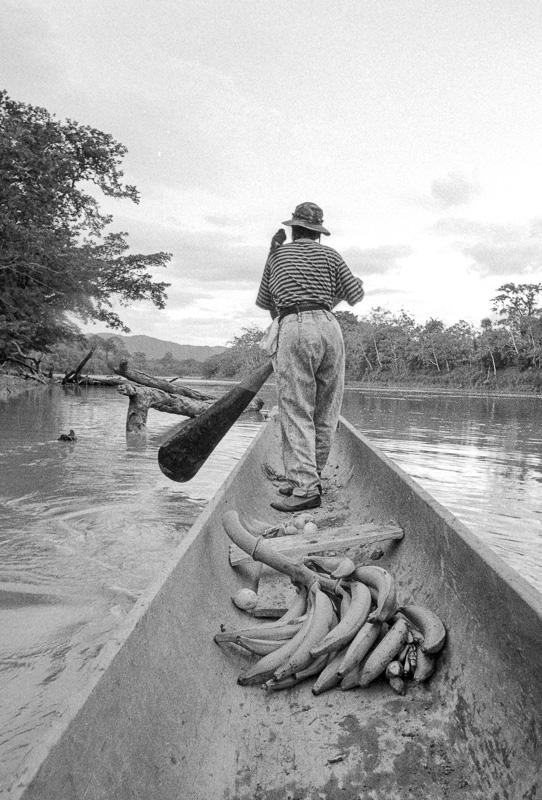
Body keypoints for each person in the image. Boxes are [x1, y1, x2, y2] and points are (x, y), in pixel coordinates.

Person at [256, 201, 364, 512]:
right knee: (326, 410)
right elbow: (356, 294)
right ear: (318, 233)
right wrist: (331, 296)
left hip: (295, 326)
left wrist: (271, 253)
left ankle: (305, 486)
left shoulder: (278, 254)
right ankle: (310, 478)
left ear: (292, 229)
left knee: (297, 410)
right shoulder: (331, 255)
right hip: (330, 327)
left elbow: (266, 302)